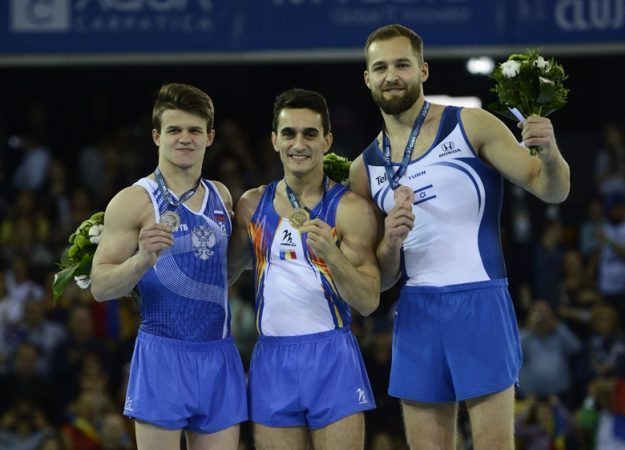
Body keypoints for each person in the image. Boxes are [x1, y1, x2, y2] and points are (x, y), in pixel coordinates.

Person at [349, 24, 571, 450]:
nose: (391, 75)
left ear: (423, 70)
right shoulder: (365, 168)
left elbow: (550, 189)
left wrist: (549, 153)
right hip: (415, 312)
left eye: (402, 65)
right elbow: (383, 279)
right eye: (380, 68)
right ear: (367, 78)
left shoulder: (470, 125)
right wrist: (390, 244)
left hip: (479, 302)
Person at [90, 83, 247, 450]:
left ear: (210, 137)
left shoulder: (222, 196)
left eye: (194, 130)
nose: (185, 138)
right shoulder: (134, 201)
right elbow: (100, 286)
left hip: (219, 354)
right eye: (174, 130)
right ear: (157, 136)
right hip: (162, 356)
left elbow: (224, 271)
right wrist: (141, 260)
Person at [229, 88, 380, 450]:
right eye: (289, 133)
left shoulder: (350, 210)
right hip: (272, 361)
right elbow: (226, 273)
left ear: (327, 141)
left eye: (310, 134)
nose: (299, 144)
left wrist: (332, 255)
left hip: (333, 357)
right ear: (274, 141)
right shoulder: (251, 206)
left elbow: (368, 300)